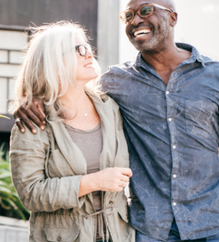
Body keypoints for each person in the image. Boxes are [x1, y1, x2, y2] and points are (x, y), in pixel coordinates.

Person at [14, 0, 219, 241]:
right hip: (151, 229)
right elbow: (62, 88)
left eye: (146, 10)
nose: (135, 20)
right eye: (128, 15)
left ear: (173, 18)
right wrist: (33, 99)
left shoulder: (213, 76)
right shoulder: (115, 83)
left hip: (211, 222)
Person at [9, 21, 135, 242]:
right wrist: (94, 182)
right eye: (79, 50)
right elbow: (30, 193)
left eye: (88, 47)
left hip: (118, 235)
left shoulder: (112, 108)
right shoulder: (34, 121)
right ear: (54, 62)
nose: (89, 54)